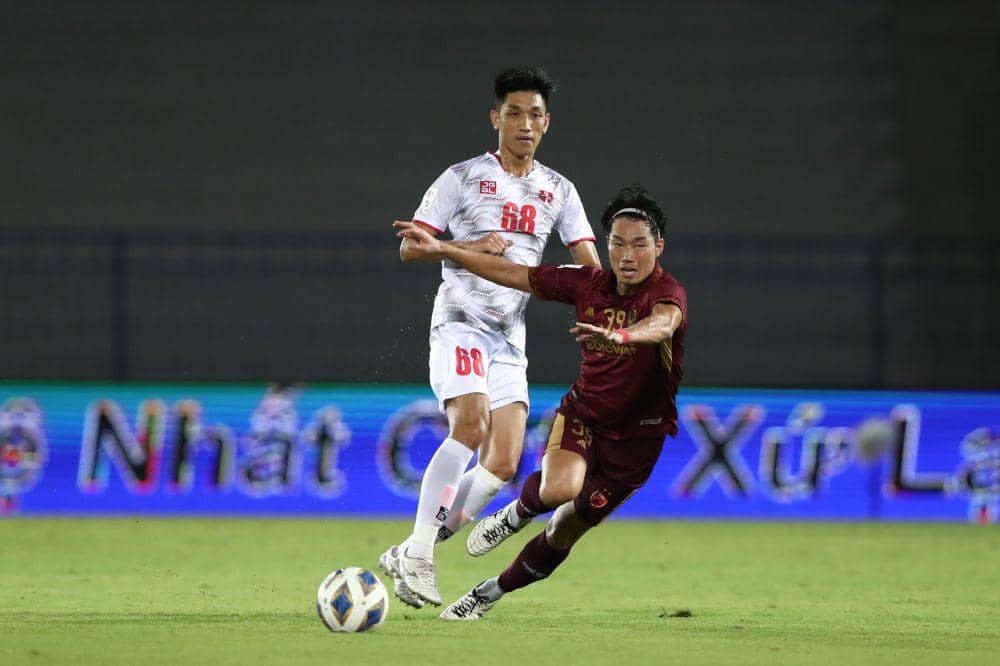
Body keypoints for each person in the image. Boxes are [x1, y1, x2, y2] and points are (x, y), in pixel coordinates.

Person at [393, 184, 687, 621]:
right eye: (617, 243)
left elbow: (662, 326)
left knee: (566, 529)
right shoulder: (588, 283)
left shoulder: (667, 294)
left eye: (639, 244)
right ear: (605, 245)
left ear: (658, 246)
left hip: (638, 441)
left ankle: (489, 591)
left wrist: (621, 335)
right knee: (559, 490)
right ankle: (518, 512)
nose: (628, 255)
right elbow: (514, 274)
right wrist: (444, 249)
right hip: (584, 414)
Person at [379, 65, 601, 609]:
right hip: (459, 320)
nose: (524, 123)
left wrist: (610, 302)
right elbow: (412, 247)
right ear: (495, 117)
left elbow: (591, 269)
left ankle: (412, 544)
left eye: (535, 114)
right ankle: (421, 555)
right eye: (514, 112)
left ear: (547, 123)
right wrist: (475, 242)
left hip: (509, 335)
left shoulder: (559, 190)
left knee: (503, 462)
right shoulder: (460, 177)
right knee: (471, 425)